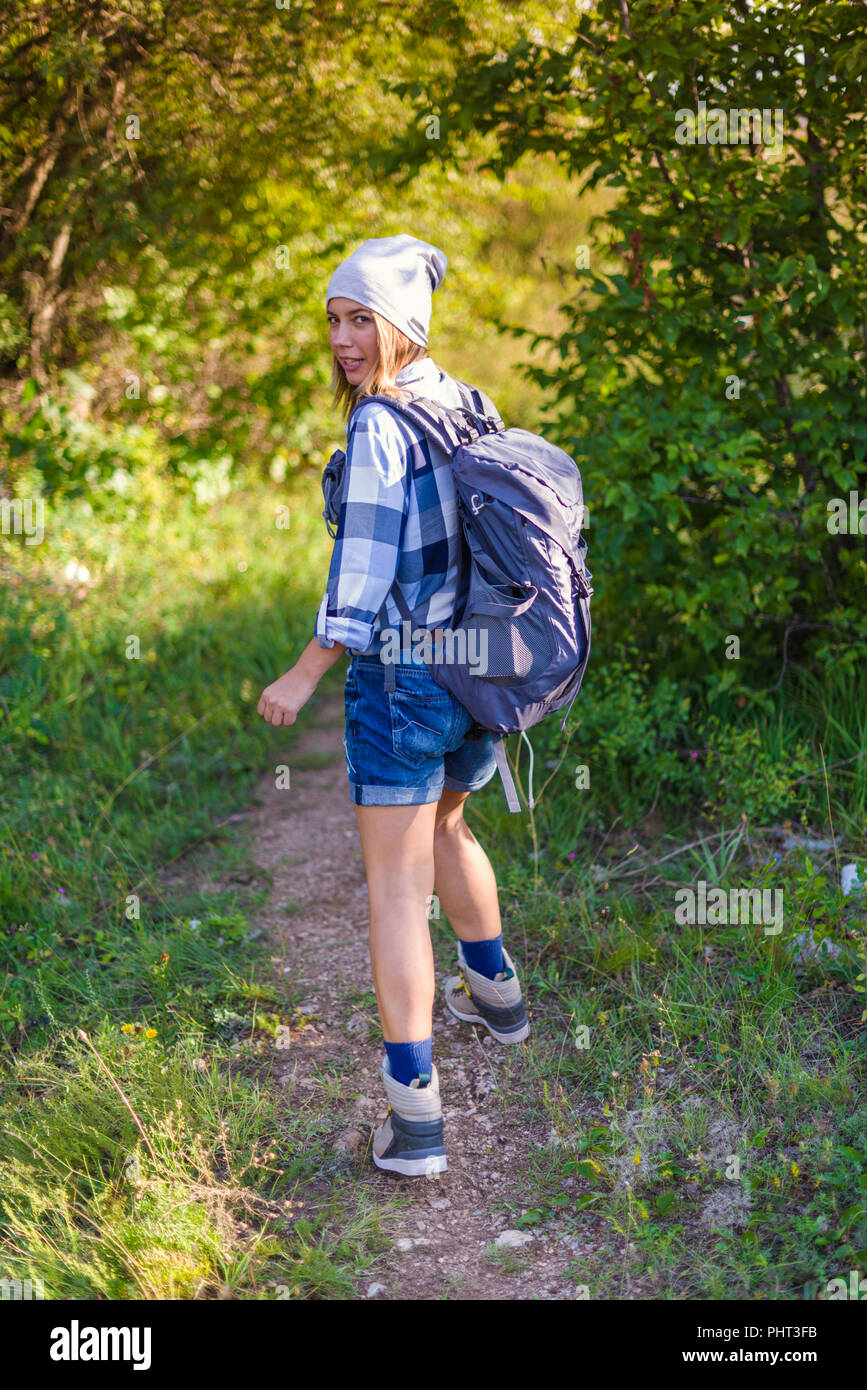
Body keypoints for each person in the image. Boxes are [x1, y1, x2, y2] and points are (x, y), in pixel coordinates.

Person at [258, 233, 529, 1178]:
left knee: (391, 892)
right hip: (479, 665)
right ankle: (498, 1002)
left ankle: (414, 1125)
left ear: (401, 324)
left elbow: (363, 571)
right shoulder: (465, 400)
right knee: (451, 829)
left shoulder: (379, 423)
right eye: (333, 319)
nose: (341, 338)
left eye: (360, 318)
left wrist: (304, 671)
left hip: (409, 672)